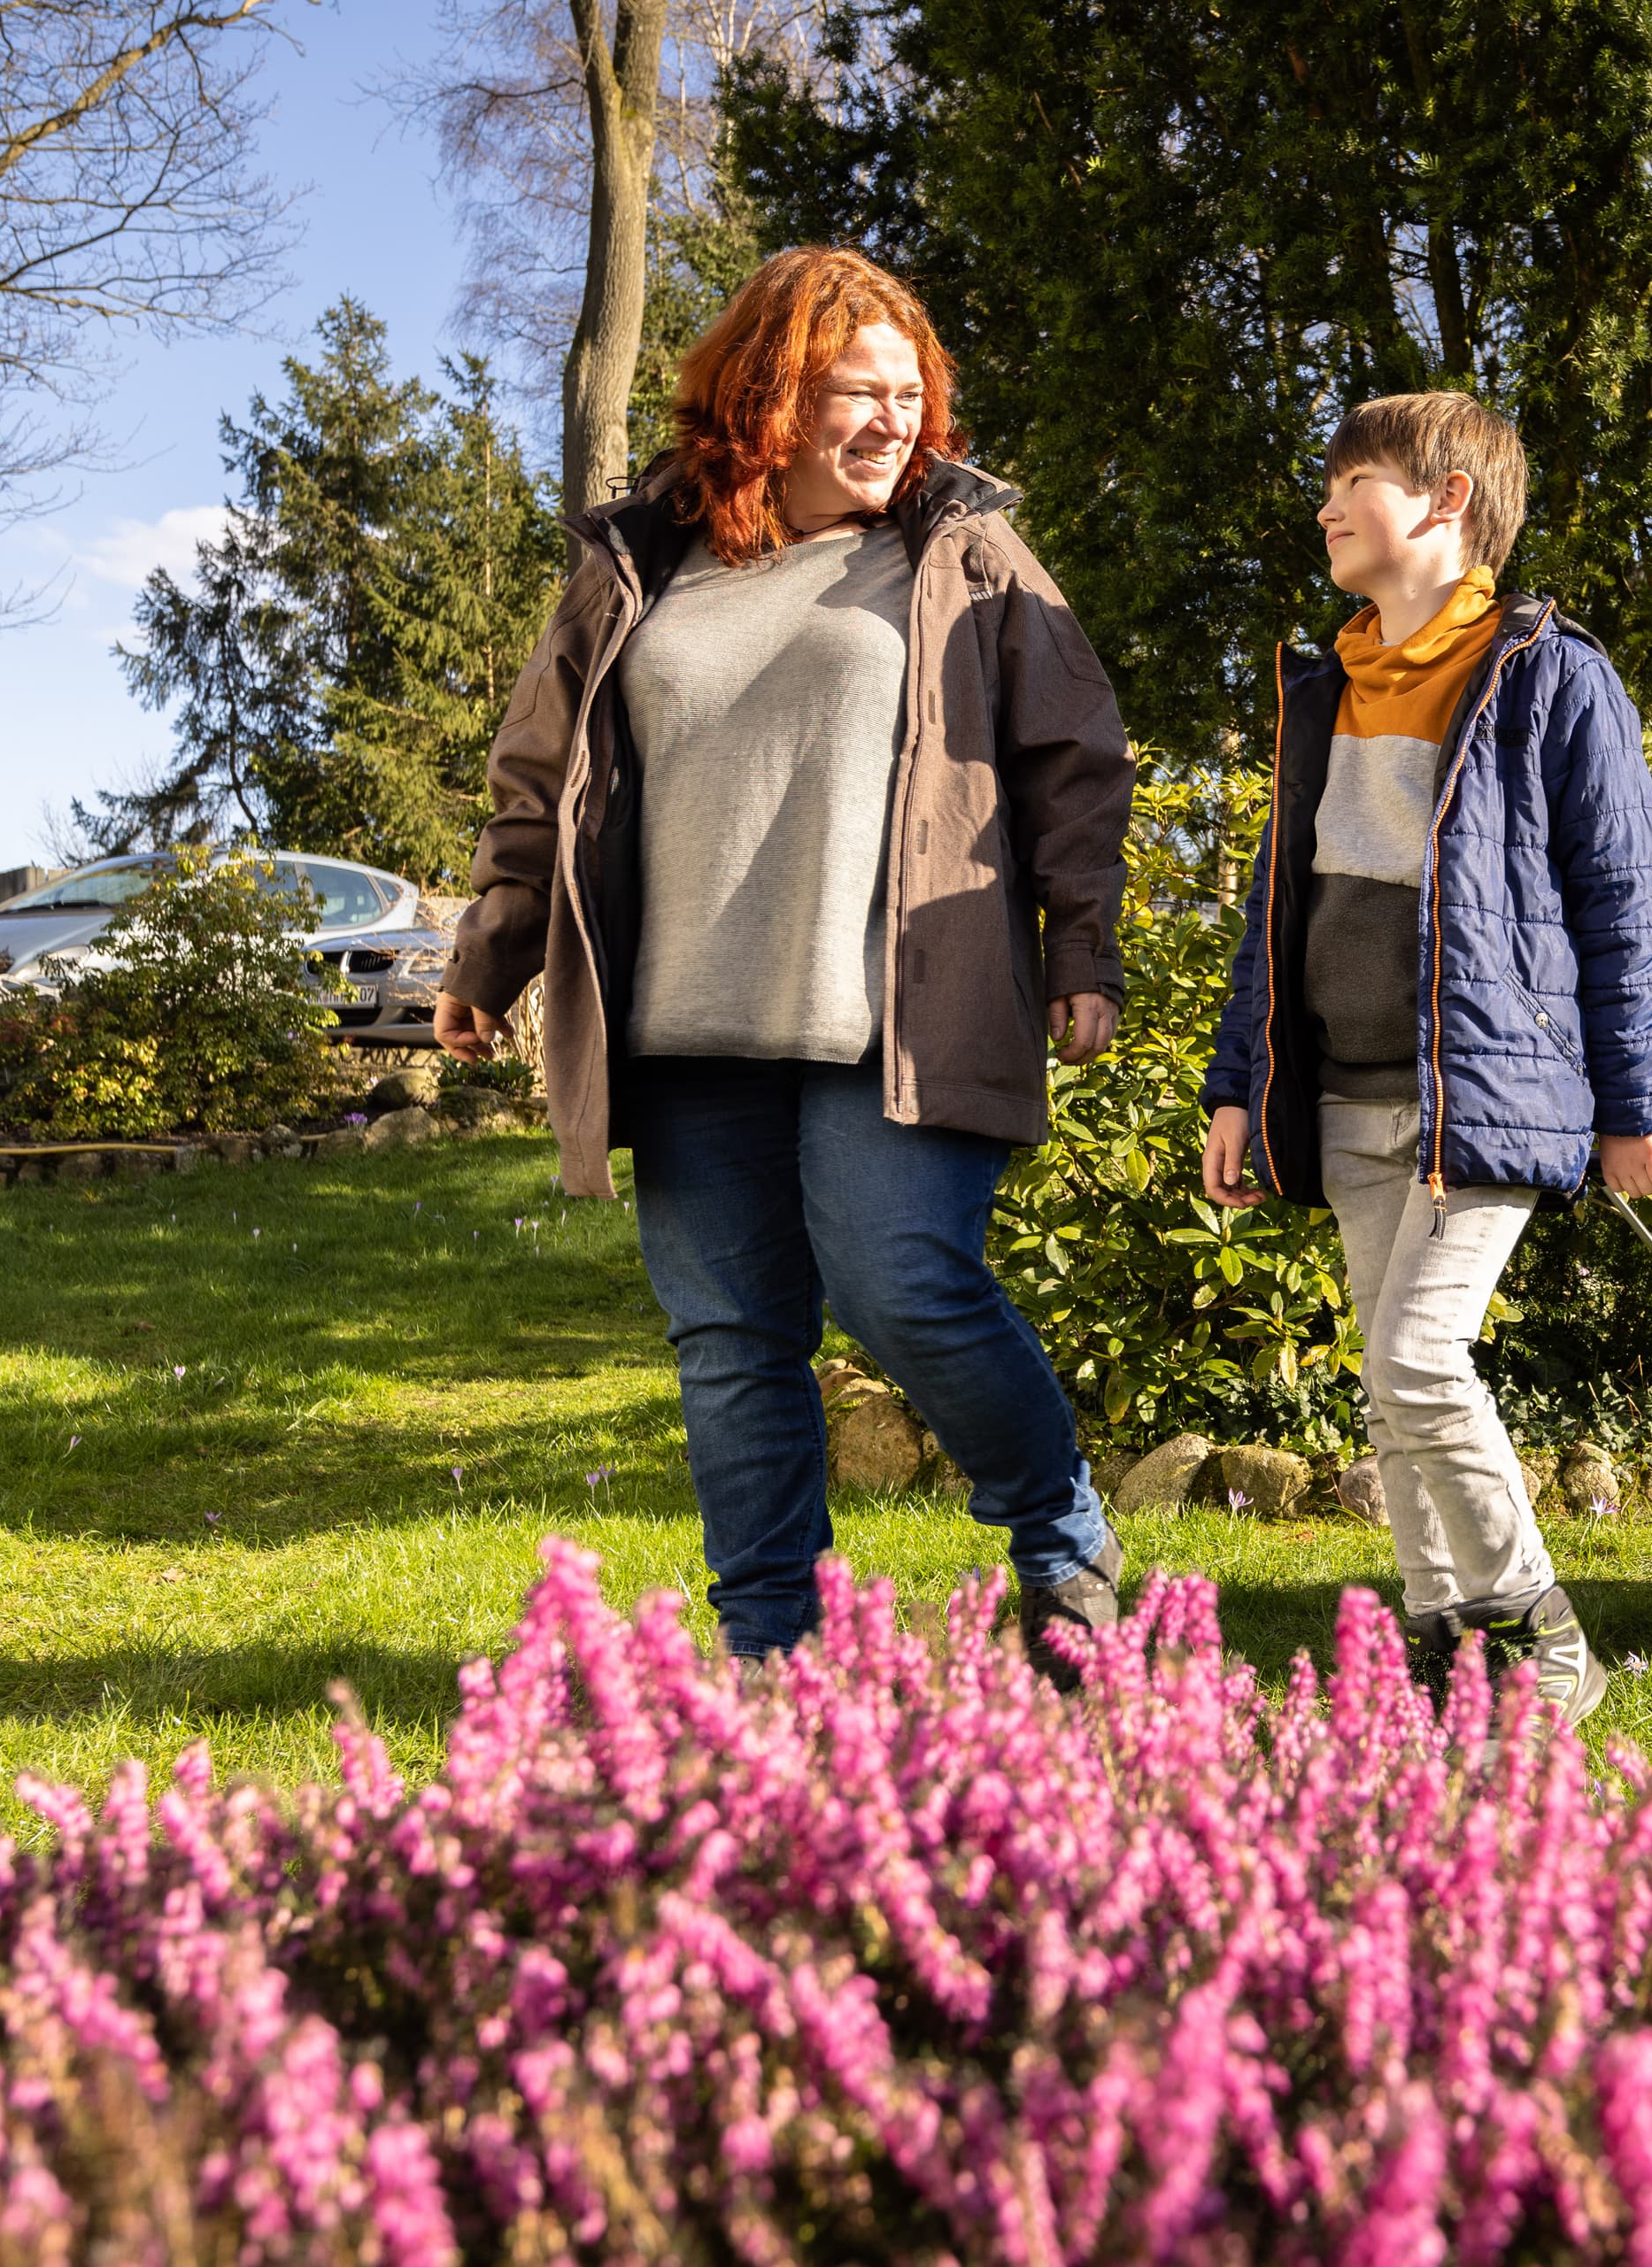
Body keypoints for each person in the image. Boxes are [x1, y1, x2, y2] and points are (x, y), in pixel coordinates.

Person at [433, 246, 1139, 1685]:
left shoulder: (962, 554)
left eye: (908, 394)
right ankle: (775, 1663)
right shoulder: (637, 567)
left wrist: (1086, 946)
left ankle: (1060, 1534)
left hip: (899, 1009)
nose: (892, 422)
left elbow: (1076, 759)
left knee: (906, 1284)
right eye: (853, 392)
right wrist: (492, 954)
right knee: (734, 1344)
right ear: (765, 398)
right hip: (685, 1020)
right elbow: (538, 774)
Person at [1197, 391, 1652, 1728]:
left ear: (1448, 500)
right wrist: (1238, 1084)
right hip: (1343, 1092)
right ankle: (1442, 1640)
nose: (1328, 504)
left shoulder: (1547, 677)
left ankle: (1541, 1632)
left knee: (1419, 1357)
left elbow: (1625, 895)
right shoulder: (1325, 687)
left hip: (1482, 1095)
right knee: (1388, 1381)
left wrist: (1635, 1108)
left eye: (1355, 479)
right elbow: (1271, 912)